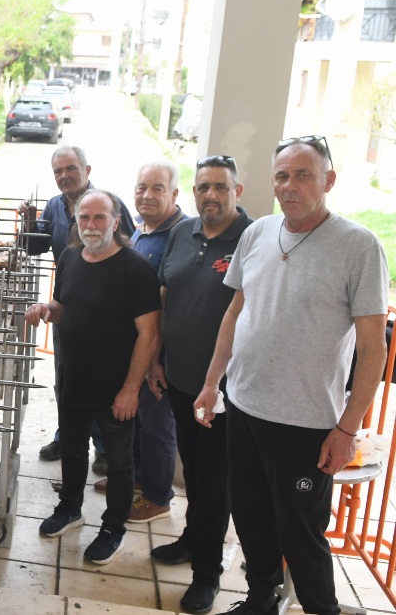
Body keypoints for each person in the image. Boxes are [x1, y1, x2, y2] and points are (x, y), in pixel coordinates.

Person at [196, 137, 388, 615]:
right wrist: (212, 381)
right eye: (282, 176)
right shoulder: (258, 233)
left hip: (306, 425)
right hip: (243, 408)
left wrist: (346, 428)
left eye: (303, 174)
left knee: (301, 536)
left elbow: (372, 349)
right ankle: (259, 601)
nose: (290, 185)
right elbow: (235, 311)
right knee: (251, 519)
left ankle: (322, 609)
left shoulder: (358, 246)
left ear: (329, 180)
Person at [25, 190, 161, 564]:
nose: (90, 226)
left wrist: (131, 390)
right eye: (84, 218)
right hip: (73, 379)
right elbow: (65, 305)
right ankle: (70, 508)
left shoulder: (136, 270)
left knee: (119, 464)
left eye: (99, 218)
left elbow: (150, 335)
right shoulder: (69, 257)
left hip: (116, 389)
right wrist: (46, 308)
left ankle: (113, 527)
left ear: (116, 222)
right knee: (71, 449)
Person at [149, 155, 253, 613]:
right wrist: (155, 360)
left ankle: (207, 575)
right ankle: (192, 540)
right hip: (180, 381)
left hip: (224, 394)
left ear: (238, 192)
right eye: (203, 187)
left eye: (220, 187)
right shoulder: (180, 232)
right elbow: (164, 297)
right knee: (193, 473)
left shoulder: (251, 239)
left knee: (211, 485)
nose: (210, 195)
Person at [19, 146, 136, 472]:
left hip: (106, 308)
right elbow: (35, 246)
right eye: (57, 171)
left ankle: (102, 447)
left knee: (101, 378)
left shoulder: (108, 203)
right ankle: (67, 435)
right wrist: (28, 223)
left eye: (70, 168)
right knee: (67, 377)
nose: (64, 176)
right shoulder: (55, 205)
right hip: (66, 304)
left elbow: (130, 249)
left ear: (87, 169)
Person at [94, 160, 187, 521]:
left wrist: (155, 361)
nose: (146, 195)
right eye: (140, 187)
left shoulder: (179, 234)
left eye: (157, 188)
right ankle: (135, 479)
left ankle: (158, 496)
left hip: (157, 354)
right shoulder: (141, 230)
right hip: (132, 350)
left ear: (174, 194)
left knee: (157, 426)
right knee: (135, 421)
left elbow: (165, 304)